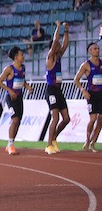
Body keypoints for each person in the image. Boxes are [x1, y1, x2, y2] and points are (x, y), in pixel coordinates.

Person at [0, 46, 33, 155]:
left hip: (19, 97)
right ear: (16, 57)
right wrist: (10, 91)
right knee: (15, 120)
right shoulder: (9, 69)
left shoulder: (23, 68)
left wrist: (28, 87)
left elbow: (22, 80)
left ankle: (10, 144)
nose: (23, 56)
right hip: (11, 98)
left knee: (18, 121)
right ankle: (10, 145)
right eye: (21, 55)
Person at [44, 21, 71, 155]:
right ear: (53, 48)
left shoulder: (58, 57)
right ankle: (48, 145)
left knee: (66, 119)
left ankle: (54, 137)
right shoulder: (50, 58)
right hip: (51, 90)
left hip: (58, 90)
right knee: (55, 117)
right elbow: (56, 41)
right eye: (58, 46)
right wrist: (58, 27)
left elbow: (65, 44)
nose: (60, 47)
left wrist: (66, 30)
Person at [73, 41, 102, 152]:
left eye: (98, 48)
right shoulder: (86, 65)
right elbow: (76, 79)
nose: (97, 50)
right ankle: (87, 140)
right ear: (90, 51)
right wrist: (83, 90)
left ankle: (93, 143)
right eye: (95, 49)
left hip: (101, 94)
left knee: (100, 119)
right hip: (92, 95)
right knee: (93, 119)